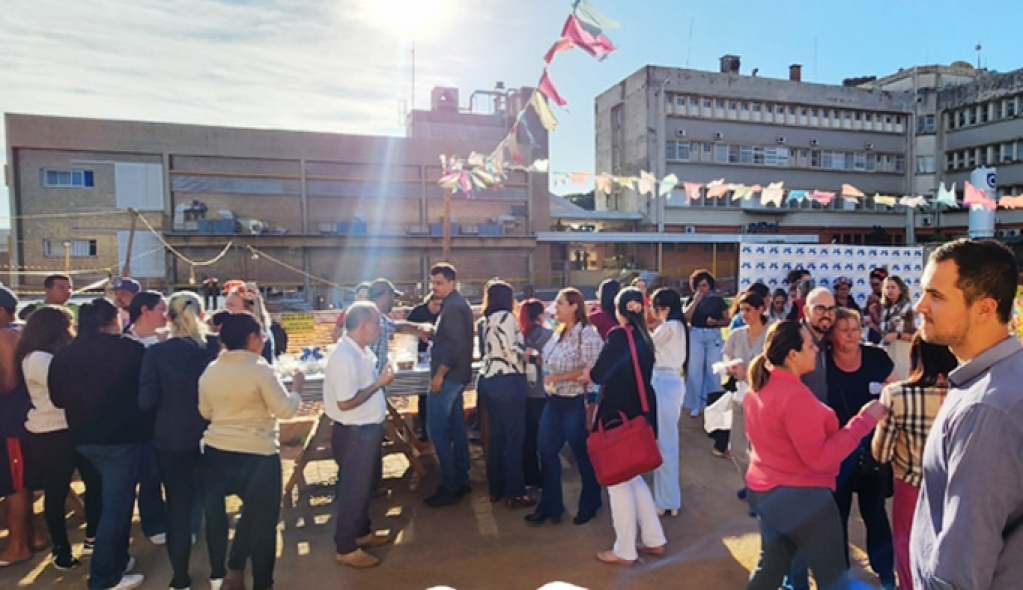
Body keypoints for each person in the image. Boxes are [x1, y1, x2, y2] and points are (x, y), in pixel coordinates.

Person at [910, 238, 1023, 589]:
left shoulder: (986, 410)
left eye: (937, 296)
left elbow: (962, 564)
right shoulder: (1002, 381)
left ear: (985, 309)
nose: (920, 305)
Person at [743, 321, 885, 590]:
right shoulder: (794, 396)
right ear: (792, 355)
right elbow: (820, 458)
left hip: (767, 492)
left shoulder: (760, 388)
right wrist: (864, 421)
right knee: (832, 577)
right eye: (810, 345)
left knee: (770, 566)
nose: (816, 350)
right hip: (804, 499)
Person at [198, 312, 303, 590]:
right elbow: (286, 410)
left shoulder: (211, 369)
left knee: (248, 513)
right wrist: (296, 390)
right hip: (257, 454)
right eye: (262, 335)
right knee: (264, 523)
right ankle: (261, 583)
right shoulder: (260, 369)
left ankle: (232, 569)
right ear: (252, 338)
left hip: (217, 451)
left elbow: (205, 411)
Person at [49, 298, 147, 590]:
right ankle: (104, 578)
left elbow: (56, 399)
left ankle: (117, 559)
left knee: (107, 502)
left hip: (81, 438)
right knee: (116, 507)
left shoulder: (64, 355)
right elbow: (145, 393)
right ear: (111, 320)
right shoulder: (130, 349)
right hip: (122, 438)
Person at [138, 292, 220, 590]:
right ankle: (218, 573)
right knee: (215, 506)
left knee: (178, 509)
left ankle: (180, 578)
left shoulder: (157, 354)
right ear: (200, 314)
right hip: (213, 435)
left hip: (171, 438)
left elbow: (146, 401)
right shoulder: (214, 347)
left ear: (168, 318)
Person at [18, 305, 101, 571]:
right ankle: (61, 550)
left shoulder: (44, 355)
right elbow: (67, 390)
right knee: (55, 492)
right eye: (68, 324)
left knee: (91, 482)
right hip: (52, 431)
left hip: (67, 428)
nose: (71, 330)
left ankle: (92, 538)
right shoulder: (39, 359)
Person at [587, 287, 666, 565]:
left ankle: (625, 549)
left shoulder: (620, 336)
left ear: (619, 311)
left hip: (616, 415)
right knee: (632, 477)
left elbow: (599, 374)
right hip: (640, 414)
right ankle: (653, 539)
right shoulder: (644, 336)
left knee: (617, 481)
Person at [871, 336, 957, 590]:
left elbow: (881, 453)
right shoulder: (968, 391)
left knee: (910, 551)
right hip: (958, 488)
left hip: (911, 487)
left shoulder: (896, 394)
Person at [825, 308, 897, 589]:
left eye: (856, 328)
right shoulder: (822, 363)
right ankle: (838, 572)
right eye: (845, 329)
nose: (853, 334)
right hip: (836, 451)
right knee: (837, 513)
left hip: (874, 451)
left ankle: (886, 572)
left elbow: (897, 391)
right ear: (831, 335)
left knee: (874, 511)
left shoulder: (877, 357)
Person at [323, 302, 395, 569]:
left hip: (366, 430)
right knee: (354, 490)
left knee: (367, 485)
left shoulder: (360, 352)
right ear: (363, 325)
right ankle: (345, 546)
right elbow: (345, 402)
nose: (380, 328)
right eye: (377, 323)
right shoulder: (344, 357)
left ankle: (362, 532)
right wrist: (379, 384)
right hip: (354, 433)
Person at [525, 288, 603, 526]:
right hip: (555, 400)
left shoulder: (587, 335)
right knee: (546, 450)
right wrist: (535, 358)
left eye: (559, 303)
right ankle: (551, 505)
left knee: (581, 454)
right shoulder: (559, 333)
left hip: (576, 402)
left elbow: (592, 370)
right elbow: (551, 361)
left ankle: (590, 502)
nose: (554, 308)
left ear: (574, 307)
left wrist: (560, 378)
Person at [419, 264, 475, 507]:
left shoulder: (452, 307)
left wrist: (439, 375)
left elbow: (454, 347)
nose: (435, 288)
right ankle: (460, 478)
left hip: (449, 377)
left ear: (452, 282)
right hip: (457, 375)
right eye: (433, 284)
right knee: (456, 428)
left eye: (439, 283)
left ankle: (451, 482)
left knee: (437, 430)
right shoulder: (456, 304)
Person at [476, 280, 532, 507]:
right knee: (514, 437)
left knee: (496, 437)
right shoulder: (507, 318)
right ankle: (515, 491)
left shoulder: (484, 321)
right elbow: (512, 350)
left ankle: (496, 488)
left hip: (488, 379)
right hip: (509, 379)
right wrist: (529, 354)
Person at [123, 291, 169, 546]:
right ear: (144, 310)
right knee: (147, 474)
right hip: (137, 422)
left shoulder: (167, 341)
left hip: (167, 419)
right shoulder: (124, 343)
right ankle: (152, 523)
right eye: (161, 309)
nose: (166, 314)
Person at [724, 292, 769, 502]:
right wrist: (728, 369)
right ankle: (751, 484)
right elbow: (727, 359)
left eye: (748, 309)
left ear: (761, 309)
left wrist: (746, 372)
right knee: (737, 447)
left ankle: (761, 490)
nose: (744, 314)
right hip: (740, 398)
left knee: (762, 450)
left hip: (764, 401)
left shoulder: (771, 336)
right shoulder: (736, 334)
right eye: (741, 309)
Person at [648, 288, 688, 517]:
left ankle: (667, 500)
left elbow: (648, 345)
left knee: (665, 442)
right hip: (669, 380)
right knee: (667, 440)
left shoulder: (670, 327)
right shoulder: (677, 326)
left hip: (664, 381)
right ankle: (668, 498)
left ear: (664, 307)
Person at [683, 269, 729, 418]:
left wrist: (716, 322)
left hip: (713, 335)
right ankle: (696, 404)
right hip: (696, 334)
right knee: (694, 370)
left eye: (705, 285)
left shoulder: (718, 300)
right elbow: (686, 317)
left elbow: (727, 320)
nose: (702, 288)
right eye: (699, 285)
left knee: (713, 371)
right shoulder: (691, 300)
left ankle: (714, 403)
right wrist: (696, 300)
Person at [518, 299, 554, 490]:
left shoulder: (519, 336)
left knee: (527, 437)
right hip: (543, 390)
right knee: (546, 437)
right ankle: (547, 477)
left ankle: (530, 476)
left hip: (523, 390)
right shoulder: (549, 335)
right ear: (541, 315)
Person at [406, 293, 442, 439]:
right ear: (429, 302)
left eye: (440, 305)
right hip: (419, 354)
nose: (437, 308)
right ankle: (425, 430)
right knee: (424, 393)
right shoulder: (418, 312)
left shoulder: (445, 313)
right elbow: (407, 332)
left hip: (438, 356)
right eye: (434, 305)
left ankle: (441, 429)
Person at [223, 281, 276, 364]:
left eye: (232, 305)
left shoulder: (261, 335)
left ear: (250, 309)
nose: (226, 310)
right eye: (226, 306)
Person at [879, 275, 916, 380]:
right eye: (887, 287)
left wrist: (898, 335)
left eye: (893, 287)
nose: (890, 290)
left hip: (904, 353)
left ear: (900, 289)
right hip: (889, 352)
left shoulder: (908, 309)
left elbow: (917, 335)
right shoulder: (886, 309)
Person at [863, 267, 889, 340]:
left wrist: (880, 301)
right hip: (874, 334)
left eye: (877, 284)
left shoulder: (892, 297)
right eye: (872, 285)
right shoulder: (872, 297)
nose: (874, 287)